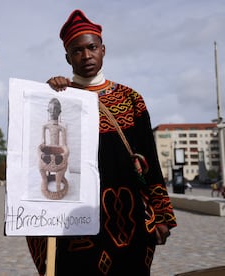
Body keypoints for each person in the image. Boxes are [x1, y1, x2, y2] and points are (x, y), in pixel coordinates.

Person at [26, 10, 177, 275]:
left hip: (128, 221)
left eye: (92, 47)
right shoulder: (59, 100)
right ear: (67, 57)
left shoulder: (131, 99)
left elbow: (149, 160)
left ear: (103, 50)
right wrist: (46, 93)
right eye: (77, 50)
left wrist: (162, 216)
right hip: (76, 226)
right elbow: (37, 147)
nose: (86, 56)